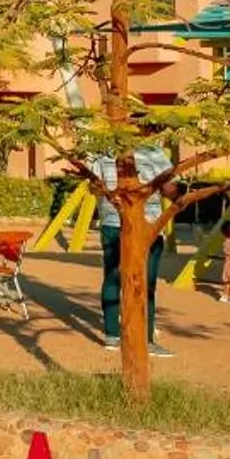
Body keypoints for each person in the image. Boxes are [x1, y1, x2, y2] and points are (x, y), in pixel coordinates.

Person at [87, 144, 177, 357]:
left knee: (112, 277)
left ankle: (113, 335)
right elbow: (169, 189)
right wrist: (178, 190)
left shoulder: (102, 149)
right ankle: (144, 340)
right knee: (146, 282)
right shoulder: (153, 151)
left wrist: (109, 194)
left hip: (113, 222)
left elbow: (93, 187)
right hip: (145, 225)